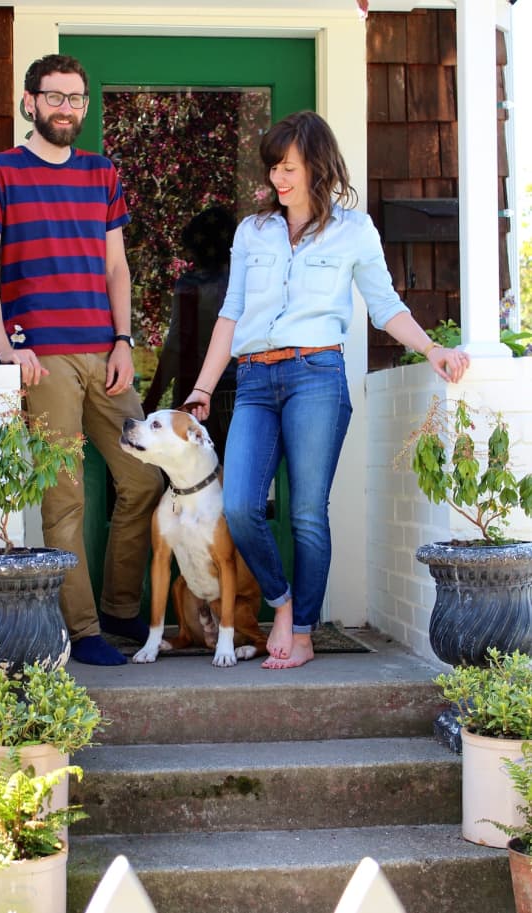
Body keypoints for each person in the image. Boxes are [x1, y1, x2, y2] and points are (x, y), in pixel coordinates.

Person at [184, 111, 470, 670]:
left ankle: (304, 629)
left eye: (288, 167)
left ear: (317, 165)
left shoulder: (354, 230)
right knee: (241, 505)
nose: (278, 179)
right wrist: (201, 387)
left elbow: (385, 306)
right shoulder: (253, 231)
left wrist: (432, 348)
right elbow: (231, 315)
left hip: (317, 375)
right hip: (254, 381)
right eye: (273, 168)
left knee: (309, 512)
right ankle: (281, 600)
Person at [0, 54, 163, 666]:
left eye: (76, 98)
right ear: (30, 102)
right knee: (64, 496)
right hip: (45, 358)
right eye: (54, 97)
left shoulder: (101, 172)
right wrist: (6, 347)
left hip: (104, 351)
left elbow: (117, 266)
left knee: (143, 476)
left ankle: (119, 607)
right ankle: (83, 630)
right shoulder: (0, 172)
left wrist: (123, 340)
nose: (66, 109)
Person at [142, 206, 237, 460]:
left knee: (192, 465)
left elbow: (175, 345)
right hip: (237, 388)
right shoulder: (241, 282)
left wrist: (151, 400)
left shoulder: (191, 286)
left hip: (193, 390)